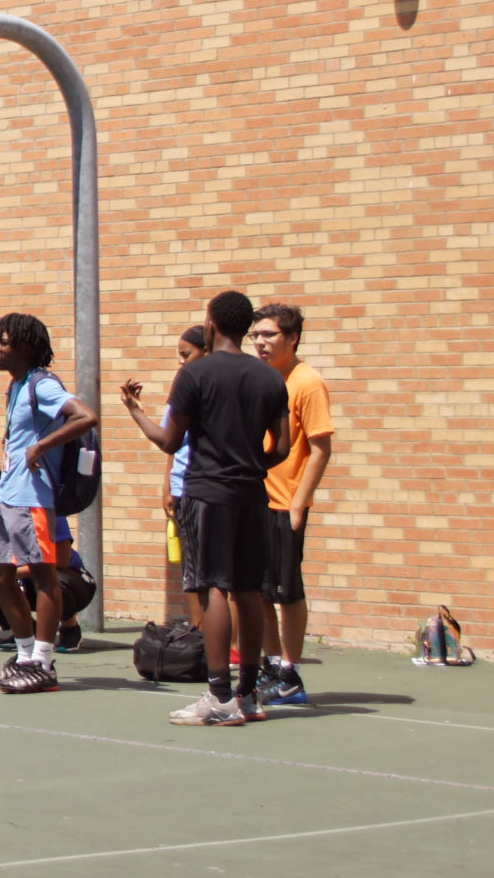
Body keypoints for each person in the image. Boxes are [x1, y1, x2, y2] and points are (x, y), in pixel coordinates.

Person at [120, 291, 290, 727]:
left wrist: (136, 412)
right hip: (252, 495)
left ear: (211, 325)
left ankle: (219, 697)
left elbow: (169, 441)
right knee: (247, 590)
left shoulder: (194, 374)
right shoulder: (270, 378)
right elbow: (282, 447)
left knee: (213, 586)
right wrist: (249, 465)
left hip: (207, 495)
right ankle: (248, 695)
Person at [0, 313, 100, 695]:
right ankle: (25, 655)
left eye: (5, 342)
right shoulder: (16, 386)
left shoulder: (42, 385)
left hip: (33, 497)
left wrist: (41, 446)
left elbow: (86, 417)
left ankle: (44, 663)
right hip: (9, 495)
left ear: (26, 348)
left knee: (44, 576)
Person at [249, 303, 334, 708]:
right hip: (256, 500)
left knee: (287, 591)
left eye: (269, 335)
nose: (260, 343)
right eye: (255, 335)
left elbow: (321, 448)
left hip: (286, 505)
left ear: (293, 338)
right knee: (259, 592)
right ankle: (270, 667)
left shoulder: (307, 382)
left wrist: (299, 502)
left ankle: (290, 673)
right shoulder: (262, 380)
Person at [164, 326, 209, 631]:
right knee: (190, 569)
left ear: (206, 352)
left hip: (205, 487)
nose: (181, 361)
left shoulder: (213, 386)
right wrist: (167, 484)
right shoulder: (181, 385)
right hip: (182, 487)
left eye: (186, 354)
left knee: (211, 571)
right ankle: (200, 631)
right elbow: (171, 440)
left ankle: (223, 640)